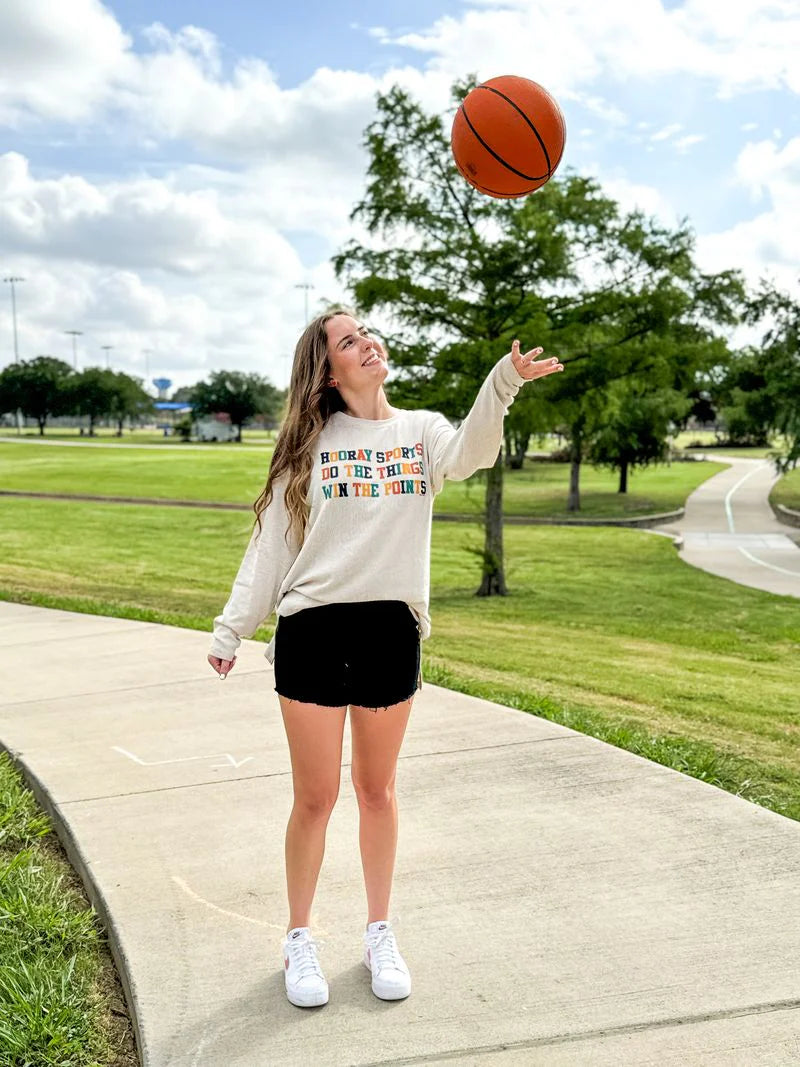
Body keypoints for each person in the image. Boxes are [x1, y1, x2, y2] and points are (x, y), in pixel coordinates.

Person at [207, 306, 564, 1009]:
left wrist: (503, 383)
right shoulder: (311, 446)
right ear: (328, 370)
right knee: (316, 797)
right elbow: (271, 547)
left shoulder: (421, 431)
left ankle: (378, 931)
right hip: (312, 631)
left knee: (377, 791)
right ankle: (299, 937)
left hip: (389, 632)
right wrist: (231, 629)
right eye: (348, 340)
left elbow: (473, 454)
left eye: (367, 332)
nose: (366, 342)